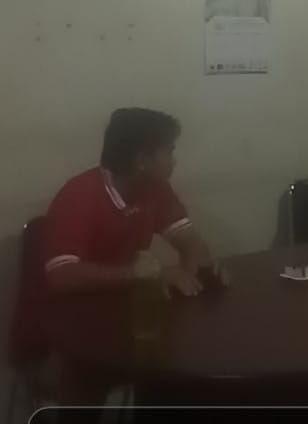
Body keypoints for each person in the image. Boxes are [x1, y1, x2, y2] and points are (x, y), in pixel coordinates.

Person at [42, 108, 213, 297]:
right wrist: (145, 275)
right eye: (169, 152)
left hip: (125, 300)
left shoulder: (155, 187)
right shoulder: (79, 194)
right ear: (141, 161)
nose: (173, 161)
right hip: (78, 306)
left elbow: (188, 239)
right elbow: (61, 275)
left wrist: (197, 269)